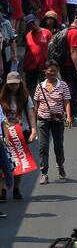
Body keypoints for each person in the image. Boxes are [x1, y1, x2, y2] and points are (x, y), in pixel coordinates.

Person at [33, 60, 72, 184]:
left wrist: (69, 116)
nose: (52, 74)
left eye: (55, 72)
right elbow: (37, 104)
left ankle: (60, 166)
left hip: (58, 120)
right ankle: (44, 173)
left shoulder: (63, 85)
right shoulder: (40, 87)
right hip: (43, 120)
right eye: (50, 72)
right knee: (43, 147)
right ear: (45, 72)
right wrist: (33, 123)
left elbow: (66, 102)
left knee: (58, 146)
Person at [0, 71, 36, 200]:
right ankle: (2, 189)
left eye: (15, 84)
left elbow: (31, 114)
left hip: (21, 132)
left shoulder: (25, 97)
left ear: (20, 83)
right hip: (6, 132)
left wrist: (33, 130)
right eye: (10, 84)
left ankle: (16, 188)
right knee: (4, 162)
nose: (13, 87)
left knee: (19, 160)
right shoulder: (2, 96)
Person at [23, 14, 51, 91]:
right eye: (29, 24)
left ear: (37, 21)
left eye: (33, 22)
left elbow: (51, 49)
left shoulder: (47, 32)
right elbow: (27, 50)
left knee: (44, 89)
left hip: (43, 66)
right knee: (30, 89)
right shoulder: (28, 35)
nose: (32, 25)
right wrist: (24, 65)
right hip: (30, 66)